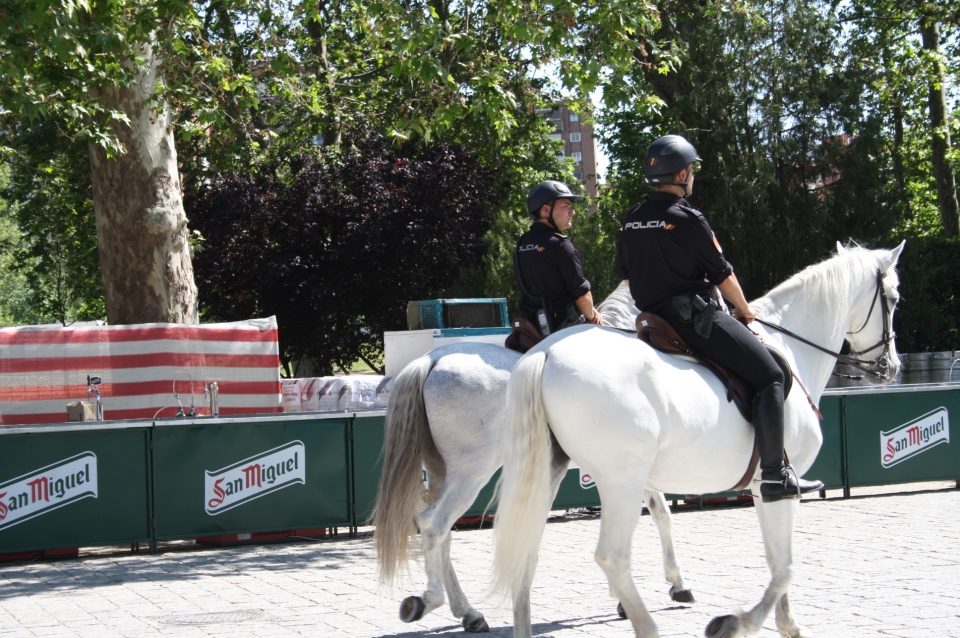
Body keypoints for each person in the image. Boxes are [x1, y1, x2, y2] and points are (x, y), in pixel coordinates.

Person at [615, 134, 822, 503]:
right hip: (693, 320)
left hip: (650, 320)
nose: (692, 176)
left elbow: (627, 276)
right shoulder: (687, 218)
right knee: (772, 374)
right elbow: (722, 275)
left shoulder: (632, 219)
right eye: (691, 170)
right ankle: (775, 475)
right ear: (680, 174)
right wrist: (744, 310)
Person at [515, 180, 602, 337]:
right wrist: (592, 316)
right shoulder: (561, 244)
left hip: (530, 326)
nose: (572, 212)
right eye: (566, 206)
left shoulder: (522, 242)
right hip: (561, 326)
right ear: (546, 210)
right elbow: (582, 295)